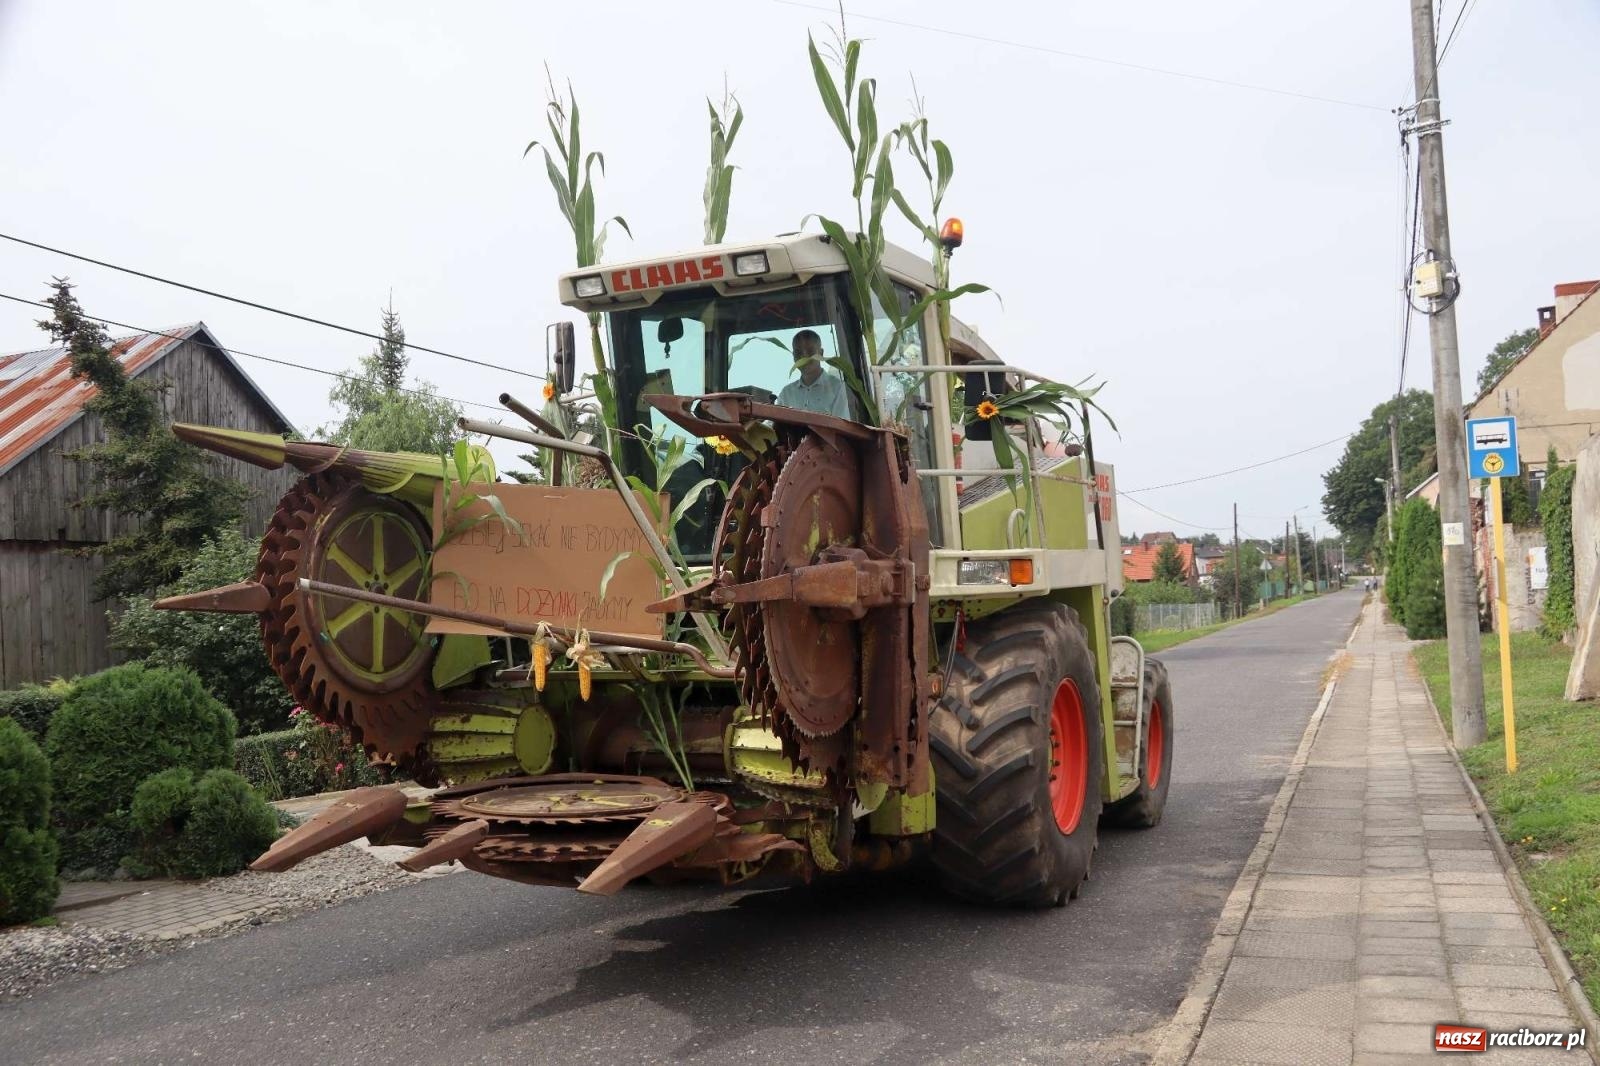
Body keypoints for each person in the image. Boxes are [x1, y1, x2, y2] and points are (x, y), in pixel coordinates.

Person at [776, 329, 851, 418]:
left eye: (810, 351)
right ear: (793, 356)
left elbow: (841, 428)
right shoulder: (786, 393)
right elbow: (775, 425)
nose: (804, 356)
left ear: (821, 353)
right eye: (798, 352)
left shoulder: (838, 388)